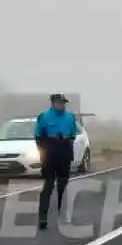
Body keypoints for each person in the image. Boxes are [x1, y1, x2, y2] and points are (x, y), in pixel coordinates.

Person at [34, 93, 78, 229]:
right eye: (59, 102)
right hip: (50, 154)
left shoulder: (70, 117)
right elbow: (38, 136)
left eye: (63, 103)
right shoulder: (44, 117)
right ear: (53, 103)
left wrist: (66, 141)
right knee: (48, 186)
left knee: (63, 186)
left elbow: (73, 134)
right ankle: (43, 217)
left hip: (65, 153)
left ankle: (62, 213)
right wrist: (46, 150)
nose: (62, 105)